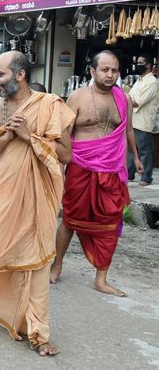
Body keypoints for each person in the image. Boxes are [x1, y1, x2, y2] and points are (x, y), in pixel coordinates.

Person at [0, 51, 72, 357]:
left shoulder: (49, 105)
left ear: (20, 74)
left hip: (38, 196)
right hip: (2, 193)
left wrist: (28, 135)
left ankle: (39, 332)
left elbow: (66, 155)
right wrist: (7, 138)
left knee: (39, 263)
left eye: (0, 74)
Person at [50, 51, 141, 297]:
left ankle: (101, 279)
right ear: (92, 71)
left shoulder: (124, 99)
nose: (110, 74)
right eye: (105, 70)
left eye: (114, 70)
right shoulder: (77, 97)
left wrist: (136, 157)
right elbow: (63, 134)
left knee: (111, 223)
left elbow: (128, 130)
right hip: (81, 166)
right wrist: (59, 168)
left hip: (111, 169)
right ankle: (56, 265)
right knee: (70, 218)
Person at [127, 54, 157, 185]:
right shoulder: (139, 80)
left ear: (149, 65)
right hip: (132, 120)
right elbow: (130, 97)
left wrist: (124, 98)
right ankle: (129, 174)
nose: (138, 65)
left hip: (143, 121)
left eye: (141, 63)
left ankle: (146, 177)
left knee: (144, 151)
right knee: (130, 150)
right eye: (137, 62)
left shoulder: (152, 82)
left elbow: (137, 101)